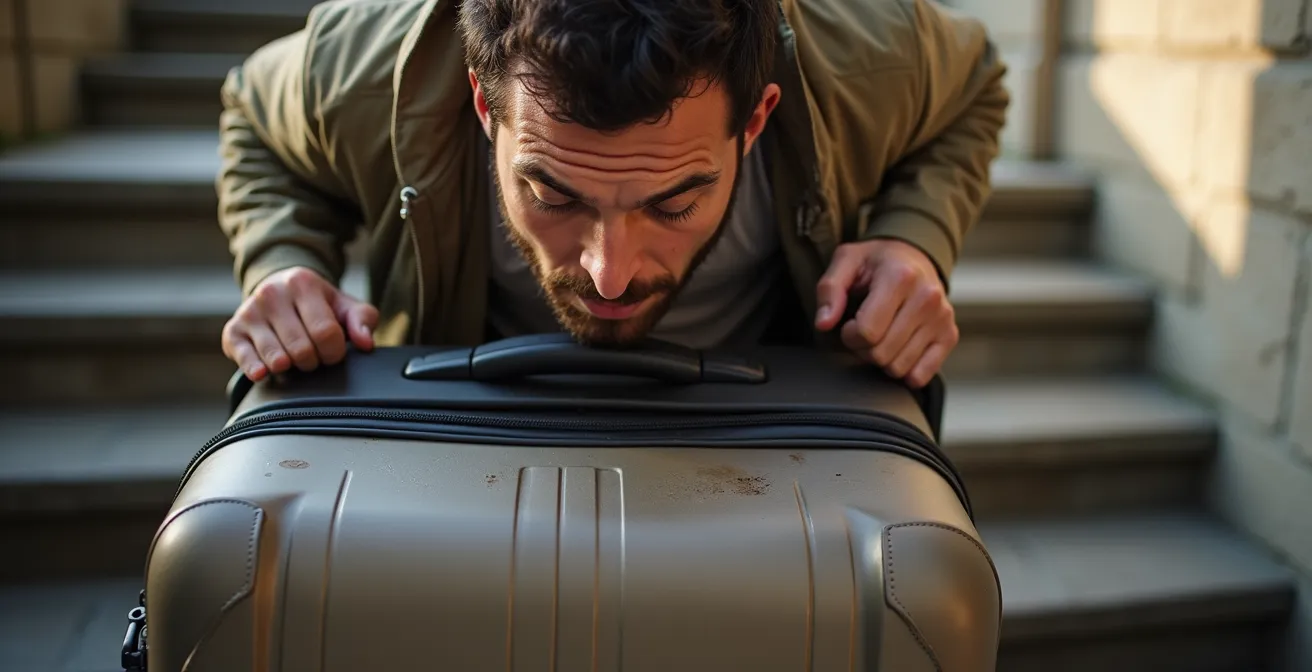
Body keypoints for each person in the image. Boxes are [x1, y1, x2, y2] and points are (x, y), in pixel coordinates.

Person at [217, 0, 1009, 390]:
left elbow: (975, 84)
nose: (610, 276)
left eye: (672, 202)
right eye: (553, 194)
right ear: (483, 106)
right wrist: (283, 262)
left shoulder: (871, 54)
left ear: (758, 118)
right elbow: (254, 113)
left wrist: (914, 238)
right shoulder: (358, 69)